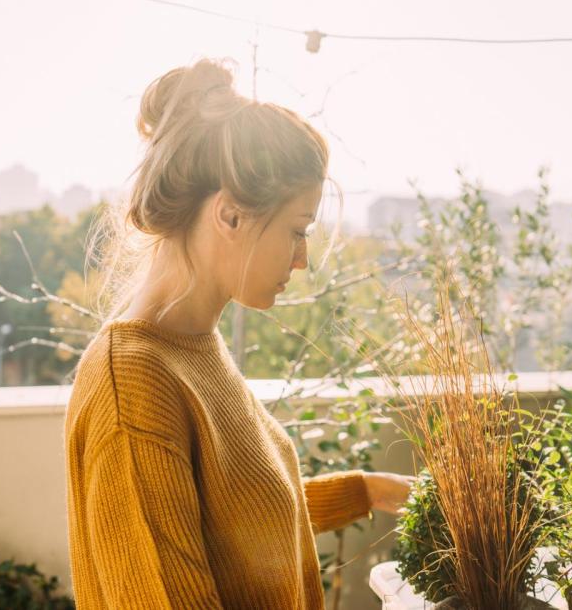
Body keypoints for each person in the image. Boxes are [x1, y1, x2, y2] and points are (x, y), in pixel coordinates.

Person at [64, 58, 415, 609]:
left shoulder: (193, 348)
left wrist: (366, 491)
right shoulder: (134, 384)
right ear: (230, 216)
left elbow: (234, 518)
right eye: (296, 231)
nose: (303, 260)